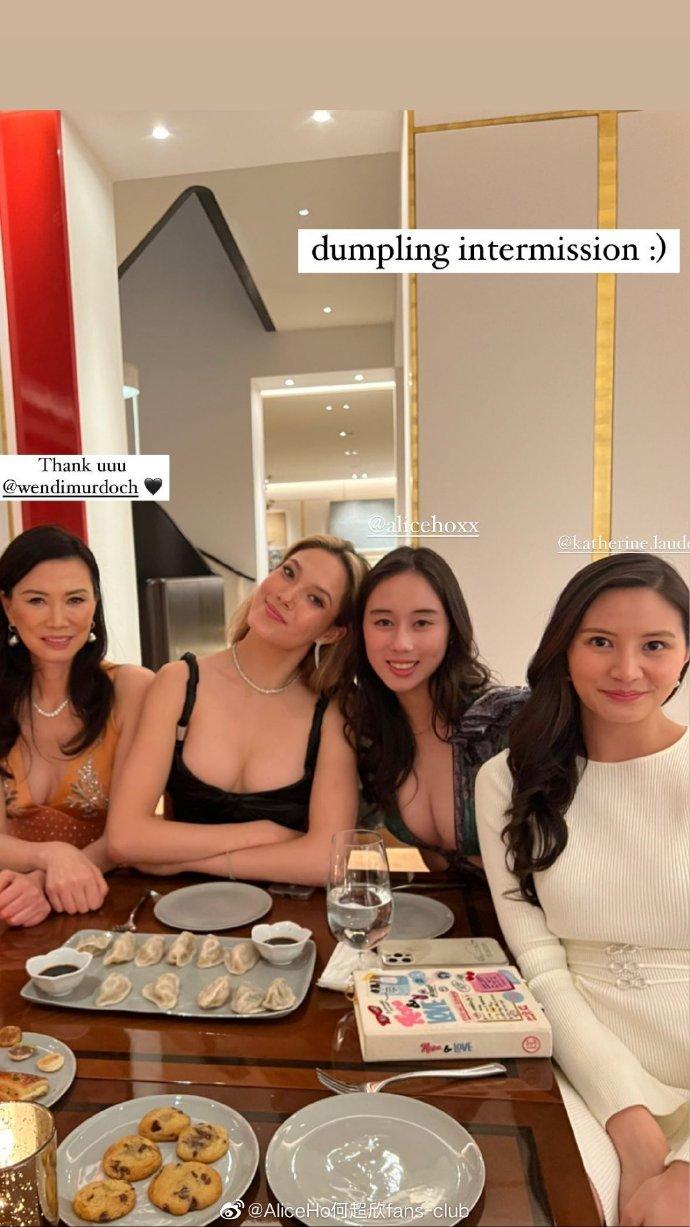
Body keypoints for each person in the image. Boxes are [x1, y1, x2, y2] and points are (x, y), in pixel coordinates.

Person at [475, 553, 689, 1227]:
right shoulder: (507, 781)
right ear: (564, 649)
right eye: (600, 641)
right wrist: (630, 1121)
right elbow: (540, 964)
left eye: (654, 645)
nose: (627, 670)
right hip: (584, 1063)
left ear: (685, 654)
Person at [107, 535, 368, 885]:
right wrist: (262, 833)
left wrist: (181, 862)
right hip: (180, 910)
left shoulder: (335, 711)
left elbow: (327, 861)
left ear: (332, 633)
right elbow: (124, 838)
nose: (286, 596)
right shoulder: (178, 682)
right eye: (288, 573)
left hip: (285, 915)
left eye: (315, 599)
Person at [0, 525, 153, 926]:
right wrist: (48, 856)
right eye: (36, 600)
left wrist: (42, 883)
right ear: (7, 607)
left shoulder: (132, 690)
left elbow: (128, 833)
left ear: (95, 605)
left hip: (111, 901)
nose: (58, 620)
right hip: (15, 903)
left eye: (75, 599)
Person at [341, 547, 526, 871]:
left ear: (451, 629)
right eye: (383, 622)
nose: (401, 643)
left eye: (422, 622)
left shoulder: (504, 722)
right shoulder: (372, 732)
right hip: (446, 901)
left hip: (534, 903)